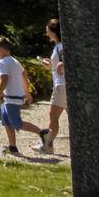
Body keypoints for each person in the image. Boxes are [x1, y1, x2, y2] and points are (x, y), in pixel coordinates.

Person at [0, 37, 49, 156]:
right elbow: (24, 74)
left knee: (16, 123)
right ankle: (12, 147)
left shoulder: (2, 62)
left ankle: (42, 133)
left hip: (11, 97)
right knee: (6, 121)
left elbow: (4, 79)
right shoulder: (15, 61)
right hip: (11, 97)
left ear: (2, 49)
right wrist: (27, 93)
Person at [43, 19, 65, 154]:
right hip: (63, 85)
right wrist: (50, 65)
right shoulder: (59, 46)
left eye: (48, 31)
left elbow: (63, 65)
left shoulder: (61, 47)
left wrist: (61, 64)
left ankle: (47, 145)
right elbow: (58, 67)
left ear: (53, 32)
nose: (47, 34)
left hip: (61, 86)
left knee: (53, 116)